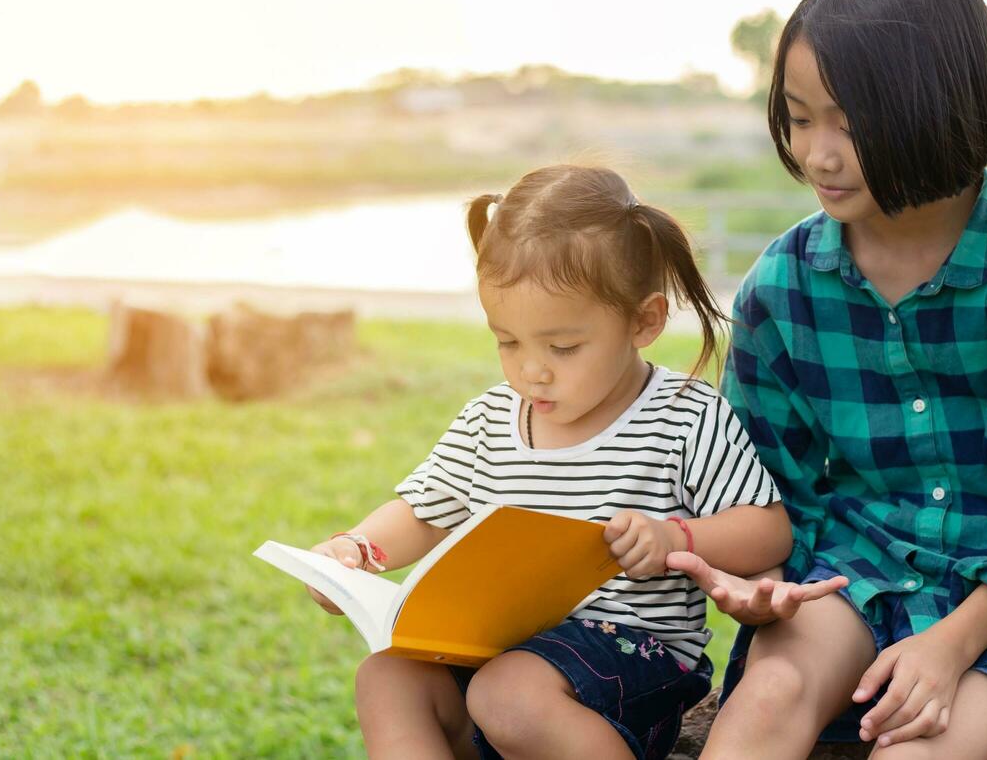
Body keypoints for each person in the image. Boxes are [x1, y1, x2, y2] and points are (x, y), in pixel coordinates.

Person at [667, 0, 987, 760]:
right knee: (769, 698)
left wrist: (952, 643)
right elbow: (775, 495)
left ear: (941, 111)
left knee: (918, 748)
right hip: (853, 568)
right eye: (799, 116)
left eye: (852, 125)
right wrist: (759, 582)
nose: (818, 153)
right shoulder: (779, 292)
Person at [304, 164, 813, 760]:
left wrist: (674, 536)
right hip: (492, 653)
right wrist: (357, 552)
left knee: (510, 692)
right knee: (385, 677)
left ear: (643, 321)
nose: (531, 370)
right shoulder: (489, 419)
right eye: (507, 341)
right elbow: (422, 512)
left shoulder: (683, 415)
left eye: (563, 347)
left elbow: (767, 530)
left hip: (630, 664)